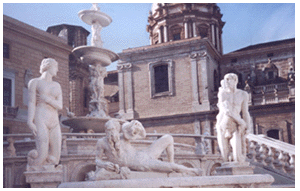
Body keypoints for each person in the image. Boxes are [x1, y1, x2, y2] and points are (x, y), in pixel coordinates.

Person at [88, 119, 201, 180]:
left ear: (117, 130)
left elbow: (143, 134)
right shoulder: (101, 143)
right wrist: (104, 165)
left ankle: (173, 166)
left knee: (168, 138)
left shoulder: (123, 136)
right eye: (107, 130)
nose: (110, 133)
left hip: (143, 155)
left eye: (112, 130)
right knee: (170, 167)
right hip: (140, 163)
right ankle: (193, 171)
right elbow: (97, 160)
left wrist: (136, 125)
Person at [27, 58, 63, 166]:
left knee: (56, 157)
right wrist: (29, 121)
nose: (57, 70)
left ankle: (50, 175)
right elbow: (31, 103)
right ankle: (34, 167)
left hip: (54, 121)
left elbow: (60, 106)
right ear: (49, 67)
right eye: (55, 67)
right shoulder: (34, 82)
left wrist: (47, 99)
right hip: (40, 119)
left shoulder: (57, 85)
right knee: (42, 155)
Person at [216, 73, 251, 163]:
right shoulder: (223, 93)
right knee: (225, 158)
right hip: (223, 124)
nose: (226, 81)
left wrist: (248, 127)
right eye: (225, 79)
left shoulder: (243, 94)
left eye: (228, 79)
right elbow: (225, 110)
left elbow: (245, 112)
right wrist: (241, 122)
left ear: (235, 80)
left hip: (236, 125)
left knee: (237, 156)